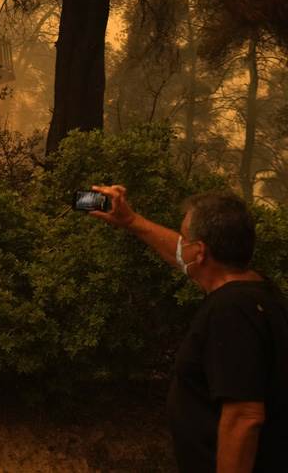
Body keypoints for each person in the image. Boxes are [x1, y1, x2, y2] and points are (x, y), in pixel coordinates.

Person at [91, 186, 288, 472]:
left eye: (185, 238)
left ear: (200, 252)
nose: (181, 244)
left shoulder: (231, 311)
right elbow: (188, 258)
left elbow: (245, 417)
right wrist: (132, 221)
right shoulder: (259, 293)